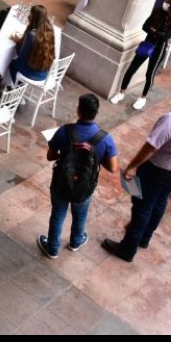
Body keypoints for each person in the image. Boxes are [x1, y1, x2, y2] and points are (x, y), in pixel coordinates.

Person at [102, 75, 171, 262]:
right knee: (160, 201)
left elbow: (150, 147)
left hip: (157, 169)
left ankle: (128, 248)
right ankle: (144, 238)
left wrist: (132, 166)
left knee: (142, 207)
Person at [37, 94, 118, 259]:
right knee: (80, 215)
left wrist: (66, 155)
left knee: (58, 214)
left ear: (79, 110)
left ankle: (52, 248)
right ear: (96, 113)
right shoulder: (105, 138)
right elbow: (113, 168)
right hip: (84, 188)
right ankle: (76, 242)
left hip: (61, 183)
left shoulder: (64, 131)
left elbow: (50, 156)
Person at [109, 0, 171, 111]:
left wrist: (154, 31)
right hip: (148, 43)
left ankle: (143, 98)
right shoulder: (158, 11)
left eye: (167, 2)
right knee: (132, 68)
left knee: (149, 74)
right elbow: (145, 26)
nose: (164, 4)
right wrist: (157, 32)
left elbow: (166, 36)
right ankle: (121, 92)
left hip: (159, 48)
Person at [8, 4, 56, 84]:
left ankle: (14, 87)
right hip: (45, 73)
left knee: (13, 63)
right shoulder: (49, 31)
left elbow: (21, 56)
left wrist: (17, 43)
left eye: (30, 13)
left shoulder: (31, 34)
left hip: (33, 74)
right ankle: (20, 85)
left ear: (33, 17)